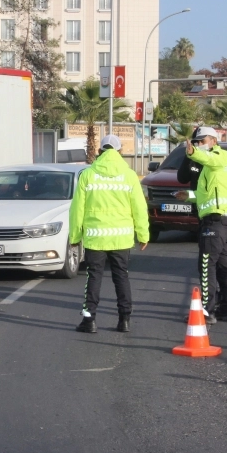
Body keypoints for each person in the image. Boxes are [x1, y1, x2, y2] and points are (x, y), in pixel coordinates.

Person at [69, 134, 150, 333]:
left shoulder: (88, 175)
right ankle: (124, 320)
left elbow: (77, 209)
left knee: (93, 277)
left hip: (96, 237)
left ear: (99, 152)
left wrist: (74, 237)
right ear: (120, 152)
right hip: (121, 237)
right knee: (121, 276)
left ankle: (89, 321)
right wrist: (143, 234)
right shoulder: (129, 175)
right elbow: (139, 207)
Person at [176, 126, 227, 323]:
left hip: (215, 222)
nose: (199, 145)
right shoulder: (211, 169)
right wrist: (190, 196)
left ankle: (206, 311)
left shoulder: (220, 156)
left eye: (202, 141)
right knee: (221, 266)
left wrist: (193, 152)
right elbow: (208, 195)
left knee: (206, 266)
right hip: (221, 220)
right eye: (197, 142)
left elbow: (207, 158)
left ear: (214, 140)